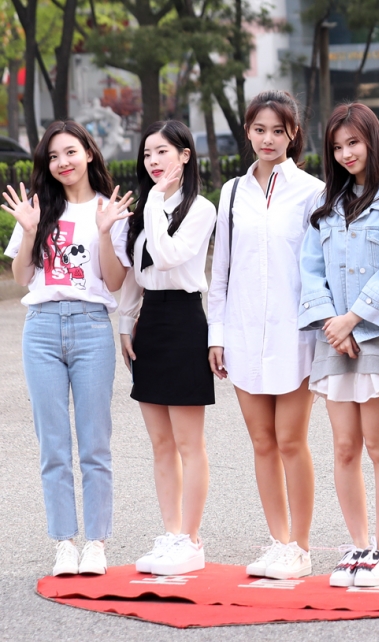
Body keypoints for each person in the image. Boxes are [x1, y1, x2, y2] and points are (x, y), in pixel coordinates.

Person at [2, 120, 134, 577]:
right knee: (53, 445)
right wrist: (28, 230)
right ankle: (64, 542)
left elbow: (114, 282)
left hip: (91, 326)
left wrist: (104, 232)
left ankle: (96, 542)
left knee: (95, 443)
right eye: (54, 156)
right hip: (40, 328)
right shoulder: (39, 208)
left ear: (89, 153)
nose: (63, 162)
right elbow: (22, 277)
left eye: (71, 152)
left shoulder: (109, 209)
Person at [207, 90, 325, 580]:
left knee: (291, 441)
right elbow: (221, 269)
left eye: (278, 130)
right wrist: (216, 334)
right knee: (261, 442)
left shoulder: (313, 191)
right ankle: (278, 542)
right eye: (260, 129)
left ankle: (301, 545)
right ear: (248, 132)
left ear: (293, 134)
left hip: (294, 336)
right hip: (242, 332)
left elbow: (319, 267)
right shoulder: (232, 192)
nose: (268, 139)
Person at [298, 103, 379, 587]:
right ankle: (358, 545)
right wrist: (332, 323)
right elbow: (309, 269)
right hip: (334, 338)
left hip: (376, 336)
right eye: (338, 146)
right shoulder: (325, 204)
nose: (346, 153)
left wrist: (353, 319)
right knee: (344, 447)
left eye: (354, 143)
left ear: (373, 141)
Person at [118, 121, 217, 575]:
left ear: (185, 155)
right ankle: (171, 532)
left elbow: (169, 256)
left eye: (162, 152)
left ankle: (190, 541)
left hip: (183, 320)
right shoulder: (146, 210)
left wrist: (156, 202)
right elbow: (135, 272)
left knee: (188, 443)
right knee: (160, 443)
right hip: (150, 323)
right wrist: (125, 324)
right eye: (147, 154)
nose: (153, 161)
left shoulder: (200, 209)